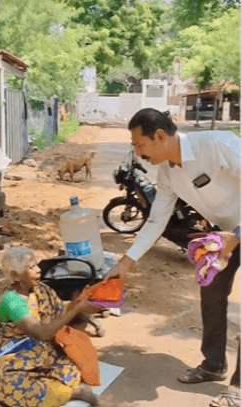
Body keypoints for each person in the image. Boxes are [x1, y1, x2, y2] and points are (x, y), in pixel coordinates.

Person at [104, 109, 240, 395]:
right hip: (225, 234)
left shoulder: (218, 145)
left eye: (140, 145)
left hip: (236, 231)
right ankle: (214, 363)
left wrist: (237, 235)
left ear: (160, 136)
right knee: (212, 294)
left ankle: (239, 387)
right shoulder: (167, 173)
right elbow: (157, 218)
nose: (139, 154)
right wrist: (126, 263)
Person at [0, 247, 105, 407]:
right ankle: (73, 393)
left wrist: (81, 304)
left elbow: (59, 314)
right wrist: (77, 307)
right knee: (8, 384)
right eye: (31, 267)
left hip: (43, 353)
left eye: (36, 265)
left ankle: (47, 391)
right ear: (15, 276)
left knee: (71, 367)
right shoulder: (13, 302)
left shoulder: (41, 290)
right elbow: (41, 333)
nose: (38, 270)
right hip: (13, 356)